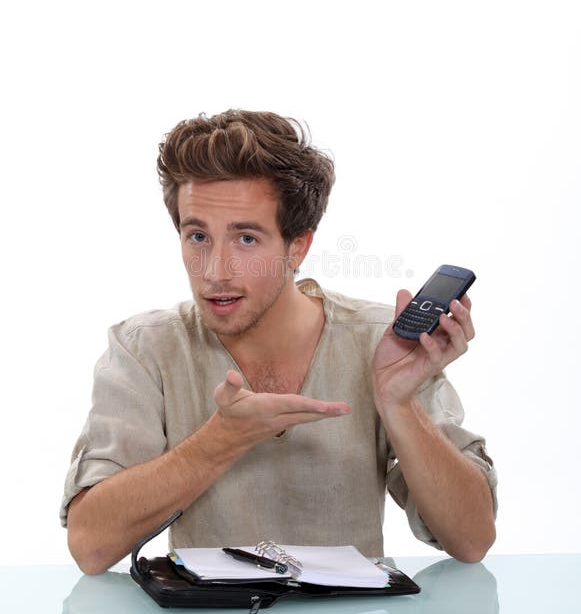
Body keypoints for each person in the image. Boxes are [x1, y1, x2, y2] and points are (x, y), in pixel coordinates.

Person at [62, 110, 497, 574]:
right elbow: (90, 546)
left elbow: (471, 540)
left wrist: (400, 404)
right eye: (197, 236)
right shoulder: (145, 349)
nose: (214, 270)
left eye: (246, 238)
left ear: (298, 247)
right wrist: (221, 440)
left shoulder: (383, 344)